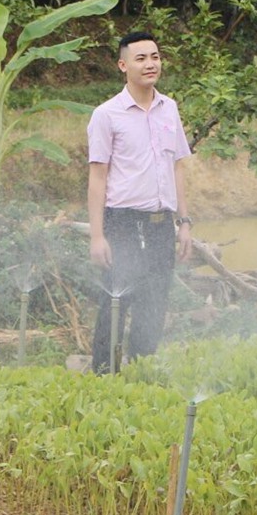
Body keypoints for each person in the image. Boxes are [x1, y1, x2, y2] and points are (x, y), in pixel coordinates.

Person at [86, 30, 194, 372]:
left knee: (155, 301)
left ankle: (142, 370)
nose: (151, 64)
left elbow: (177, 167)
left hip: (161, 224)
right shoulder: (107, 114)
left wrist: (184, 223)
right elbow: (97, 176)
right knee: (117, 300)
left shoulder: (169, 108)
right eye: (141, 58)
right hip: (123, 223)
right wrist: (97, 235)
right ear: (123, 65)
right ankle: (104, 370)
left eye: (155, 57)